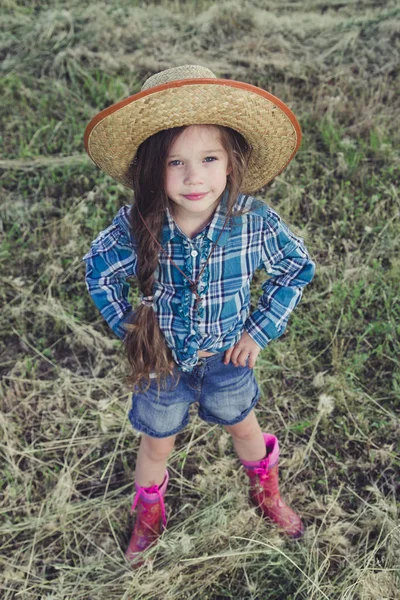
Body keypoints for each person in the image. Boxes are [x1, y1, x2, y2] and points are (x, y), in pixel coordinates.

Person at [82, 65, 315, 566]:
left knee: (244, 428)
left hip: (227, 358)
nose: (194, 177)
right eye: (175, 162)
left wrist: (258, 330)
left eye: (209, 158)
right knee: (155, 446)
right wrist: (126, 321)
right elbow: (97, 272)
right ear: (152, 168)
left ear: (231, 163)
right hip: (160, 366)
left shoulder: (251, 222)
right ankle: (148, 514)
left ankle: (266, 492)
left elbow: (297, 267)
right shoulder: (137, 224)